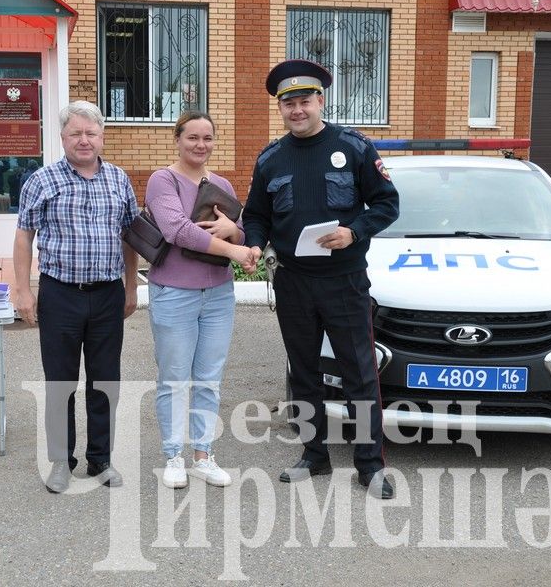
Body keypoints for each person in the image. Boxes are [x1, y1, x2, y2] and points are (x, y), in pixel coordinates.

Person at [242, 60, 399, 498]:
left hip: (344, 280)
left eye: (304, 101)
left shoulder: (353, 146)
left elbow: (387, 204)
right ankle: (315, 454)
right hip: (293, 282)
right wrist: (254, 243)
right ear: (281, 108)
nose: (297, 110)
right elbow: (256, 215)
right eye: (288, 103)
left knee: (359, 372)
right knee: (304, 372)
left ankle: (370, 465)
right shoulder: (271, 158)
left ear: (321, 101)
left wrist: (354, 231)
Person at [12, 101, 139, 494]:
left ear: (102, 137)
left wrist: (131, 286)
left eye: (91, 133)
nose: (84, 140)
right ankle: (60, 462)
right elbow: (23, 238)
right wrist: (23, 290)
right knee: (60, 381)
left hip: (106, 295)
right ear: (63, 137)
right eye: (75, 134)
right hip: (60, 294)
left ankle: (100, 459)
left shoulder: (119, 179)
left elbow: (130, 236)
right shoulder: (42, 180)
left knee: (105, 381)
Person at [145, 111, 253, 489]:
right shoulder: (163, 180)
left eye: (207, 138)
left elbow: (240, 228)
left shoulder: (220, 183)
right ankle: (173, 455)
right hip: (174, 293)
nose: (200, 145)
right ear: (177, 139)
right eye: (192, 137)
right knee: (174, 377)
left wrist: (234, 233)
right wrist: (234, 249)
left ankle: (203, 455)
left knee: (209, 380)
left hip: (218, 294)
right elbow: (178, 231)